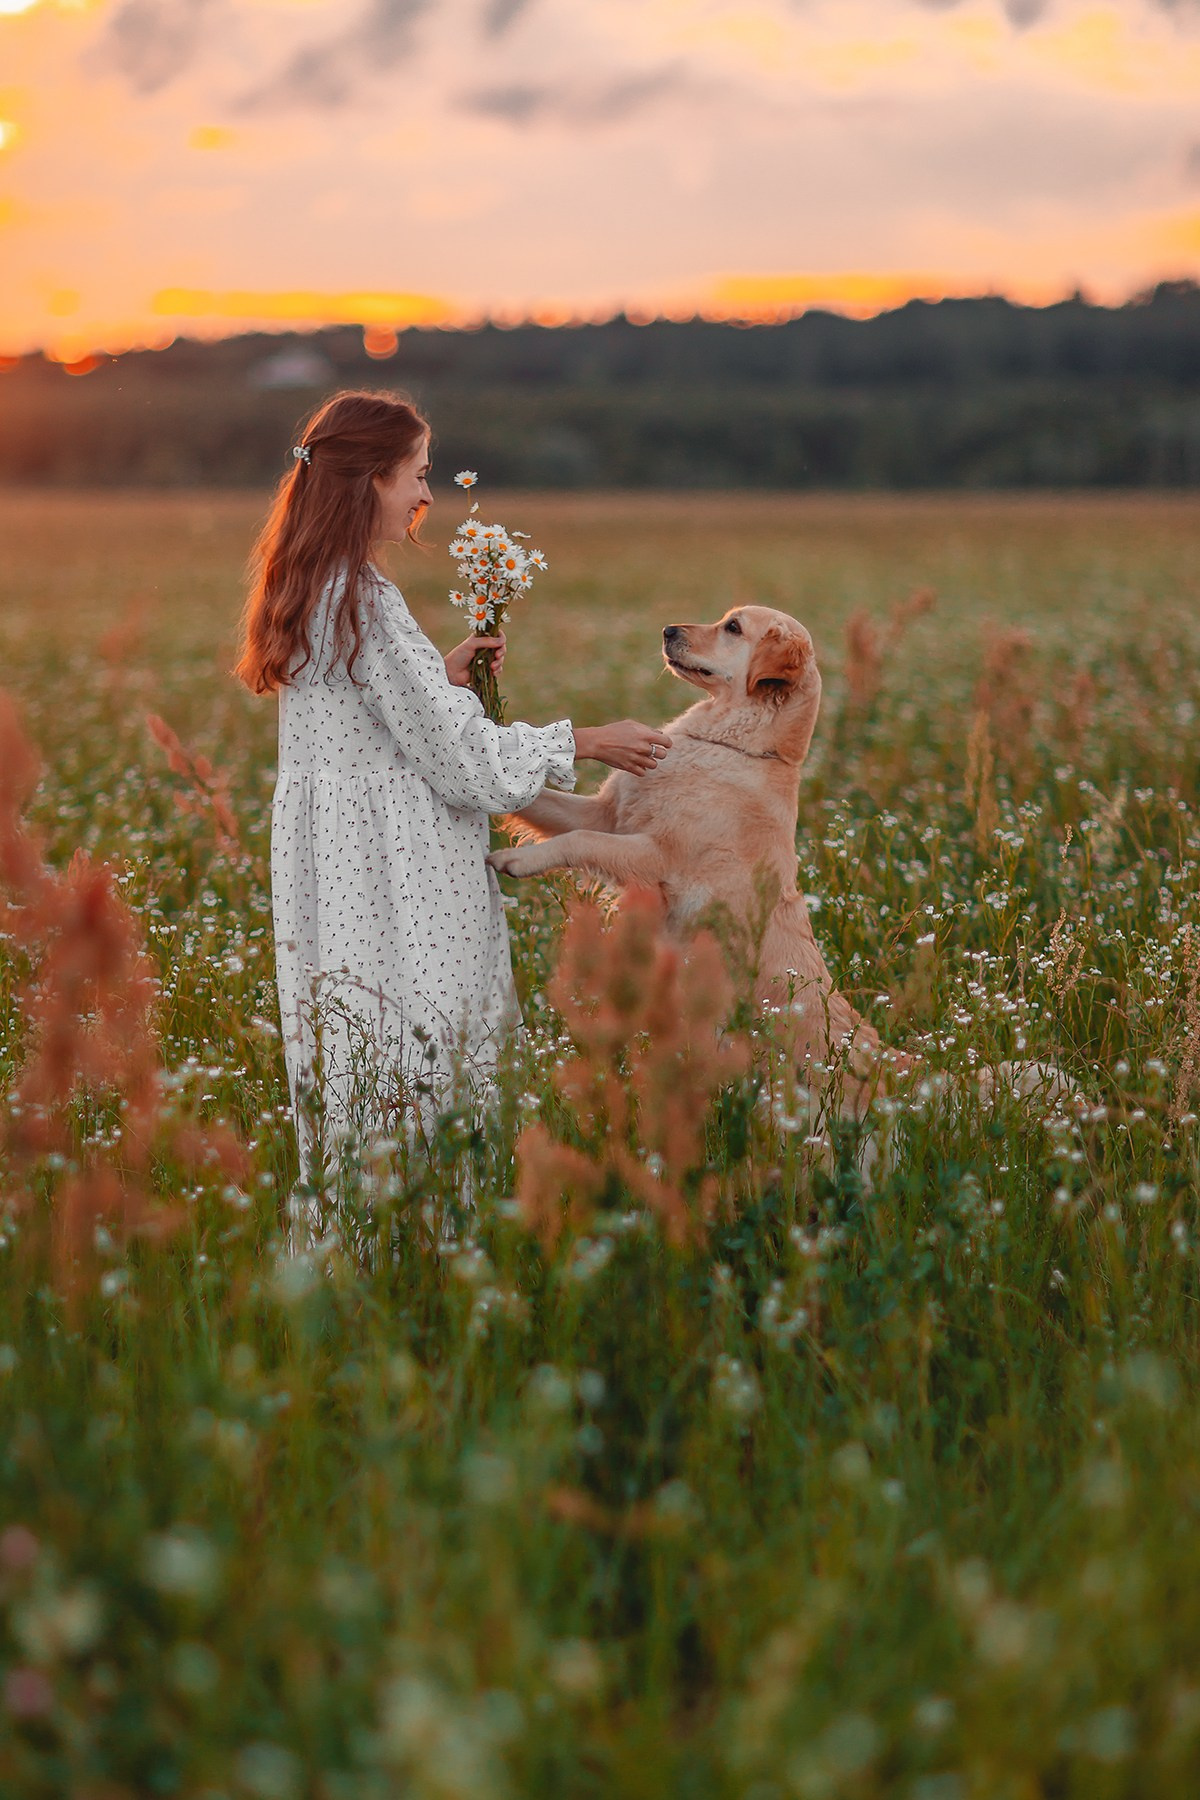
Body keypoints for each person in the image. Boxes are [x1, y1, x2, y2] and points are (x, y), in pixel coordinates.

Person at [235, 389, 669, 1195]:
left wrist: (437, 678)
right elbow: (462, 763)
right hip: (396, 872)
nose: (429, 497)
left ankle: (367, 1238)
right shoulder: (364, 597)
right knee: (424, 1050)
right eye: (418, 476)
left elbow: (367, 721)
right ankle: (432, 1243)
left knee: (362, 1049)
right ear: (369, 479)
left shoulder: (314, 586)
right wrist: (584, 739)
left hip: (341, 866)